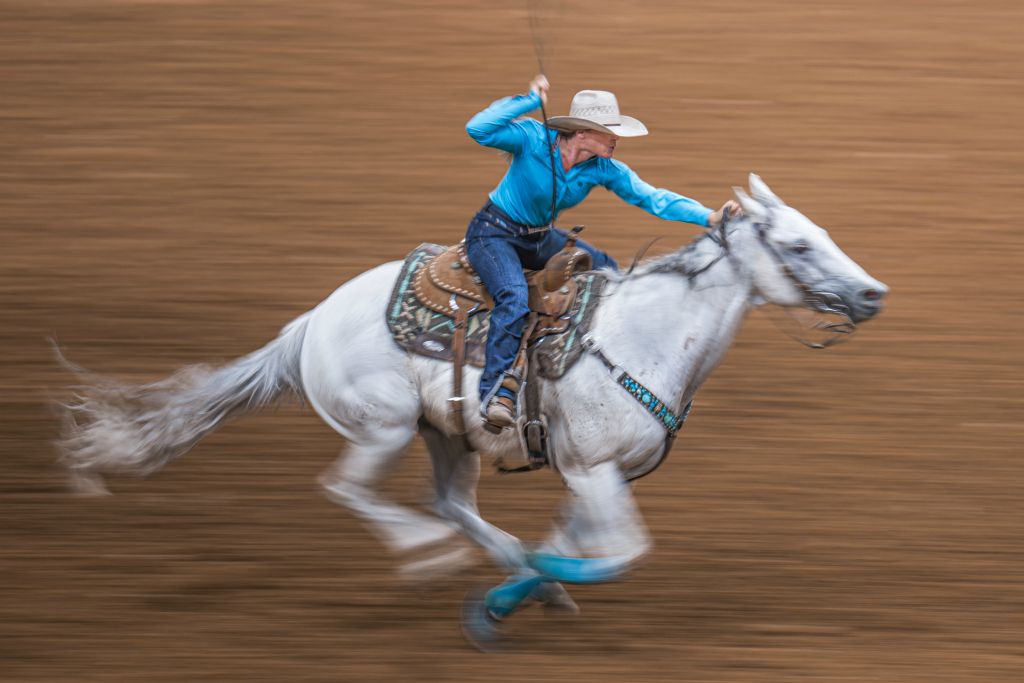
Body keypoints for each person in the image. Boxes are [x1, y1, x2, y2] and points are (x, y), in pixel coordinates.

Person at [465, 75, 738, 431]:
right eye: (610, 131)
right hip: (493, 234)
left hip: (538, 238)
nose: (616, 138)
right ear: (582, 132)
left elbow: (651, 197)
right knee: (514, 297)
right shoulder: (531, 138)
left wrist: (709, 216)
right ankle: (495, 393)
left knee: (607, 270)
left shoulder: (603, 169)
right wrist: (529, 99)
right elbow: (478, 128)